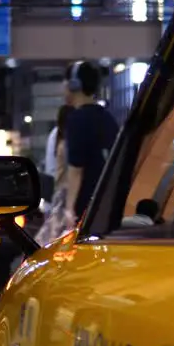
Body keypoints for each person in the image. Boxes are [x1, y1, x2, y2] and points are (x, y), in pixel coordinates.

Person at [63, 61, 120, 223]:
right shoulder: (108, 118)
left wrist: (69, 209)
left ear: (74, 85)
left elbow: (76, 170)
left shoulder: (77, 120)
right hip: (107, 203)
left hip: (86, 207)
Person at [35, 104, 76, 244]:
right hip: (63, 197)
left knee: (50, 240)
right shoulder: (67, 142)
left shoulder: (56, 137)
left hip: (56, 196)